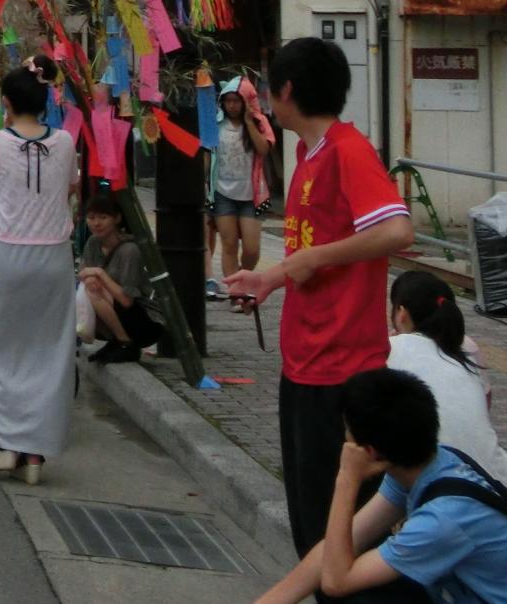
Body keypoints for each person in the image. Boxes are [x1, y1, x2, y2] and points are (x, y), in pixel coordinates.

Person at [225, 37, 414, 562]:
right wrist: (272, 279)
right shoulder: (309, 153)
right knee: (311, 525)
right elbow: (309, 254)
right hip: (305, 364)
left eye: (268, 88)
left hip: (345, 371)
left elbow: (398, 231)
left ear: (287, 89)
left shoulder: (349, 151)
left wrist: (313, 259)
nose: (264, 98)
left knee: (342, 534)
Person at [253, 367, 507, 604]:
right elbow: (340, 545)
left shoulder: (443, 519)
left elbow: (335, 582)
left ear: (370, 452)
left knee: (362, 591)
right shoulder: (429, 462)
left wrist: (346, 479)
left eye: (347, 433)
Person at [0, 67, 78, 486]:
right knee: (48, 353)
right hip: (53, 257)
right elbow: (70, 186)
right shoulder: (65, 140)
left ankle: (0, 444)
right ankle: (34, 453)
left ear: (7, 104)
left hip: (6, 254)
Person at [385, 270, 507, 481]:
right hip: (499, 478)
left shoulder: (389, 348)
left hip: (448, 486)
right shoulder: (467, 346)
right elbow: (482, 408)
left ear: (401, 313)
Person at [207, 74, 275, 299]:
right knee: (228, 245)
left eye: (237, 101)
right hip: (222, 193)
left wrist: (248, 122)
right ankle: (237, 291)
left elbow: (264, 150)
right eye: (228, 101)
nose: (232, 105)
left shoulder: (258, 122)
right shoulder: (216, 123)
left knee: (252, 249)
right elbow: (207, 155)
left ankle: (243, 277)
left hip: (252, 195)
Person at [77, 191, 164, 364]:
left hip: (143, 319)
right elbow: (83, 272)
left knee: (94, 287)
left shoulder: (129, 250)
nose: (96, 223)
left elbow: (127, 300)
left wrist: (100, 274)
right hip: (114, 311)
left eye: (103, 217)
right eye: (91, 217)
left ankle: (125, 342)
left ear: (116, 218)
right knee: (89, 284)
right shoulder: (93, 243)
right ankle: (115, 341)